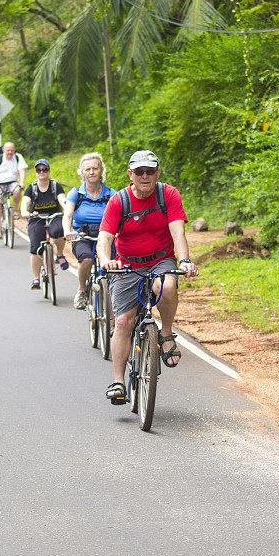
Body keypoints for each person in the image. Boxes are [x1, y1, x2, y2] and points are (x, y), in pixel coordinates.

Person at [97, 150, 199, 404]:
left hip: (159, 258)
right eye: (139, 172)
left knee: (166, 286)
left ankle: (165, 334)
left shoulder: (168, 194)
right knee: (123, 322)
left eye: (150, 171)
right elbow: (105, 239)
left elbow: (178, 231)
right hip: (126, 265)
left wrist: (184, 260)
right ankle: (119, 381)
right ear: (130, 174)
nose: (145, 176)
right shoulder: (119, 201)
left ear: (157, 173)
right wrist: (105, 261)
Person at [63, 153, 115, 309]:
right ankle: (82, 290)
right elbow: (68, 214)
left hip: (106, 236)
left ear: (101, 171)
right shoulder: (76, 193)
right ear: (82, 172)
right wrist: (67, 230)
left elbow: (120, 216)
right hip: (82, 236)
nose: (91, 172)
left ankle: (114, 300)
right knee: (86, 260)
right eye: (88, 169)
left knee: (114, 266)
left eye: (95, 168)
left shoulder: (111, 194)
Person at [22, 159, 68, 289]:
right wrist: (25, 211)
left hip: (54, 216)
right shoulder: (32, 188)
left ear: (48, 171)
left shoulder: (55, 186)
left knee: (60, 230)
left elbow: (62, 199)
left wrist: (67, 207)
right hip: (37, 218)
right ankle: (36, 278)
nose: (42, 172)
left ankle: (59, 254)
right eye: (39, 170)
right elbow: (25, 202)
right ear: (36, 172)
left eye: (44, 169)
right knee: (36, 246)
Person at [0, 142, 27, 240]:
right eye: (8, 150)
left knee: (17, 190)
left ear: (14, 150)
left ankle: (14, 210)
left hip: (12, 182)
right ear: (4, 150)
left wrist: (22, 182)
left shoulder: (18, 157)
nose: (10, 152)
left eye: (12, 150)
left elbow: (22, 171)